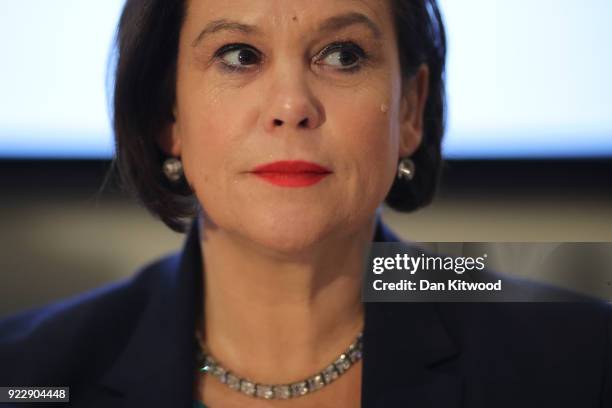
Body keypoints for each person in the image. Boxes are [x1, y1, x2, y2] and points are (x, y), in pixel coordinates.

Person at [0, 0, 611, 407]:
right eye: (238, 55)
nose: (291, 104)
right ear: (169, 118)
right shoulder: (25, 375)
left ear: (408, 111)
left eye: (343, 55)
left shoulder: (583, 362)